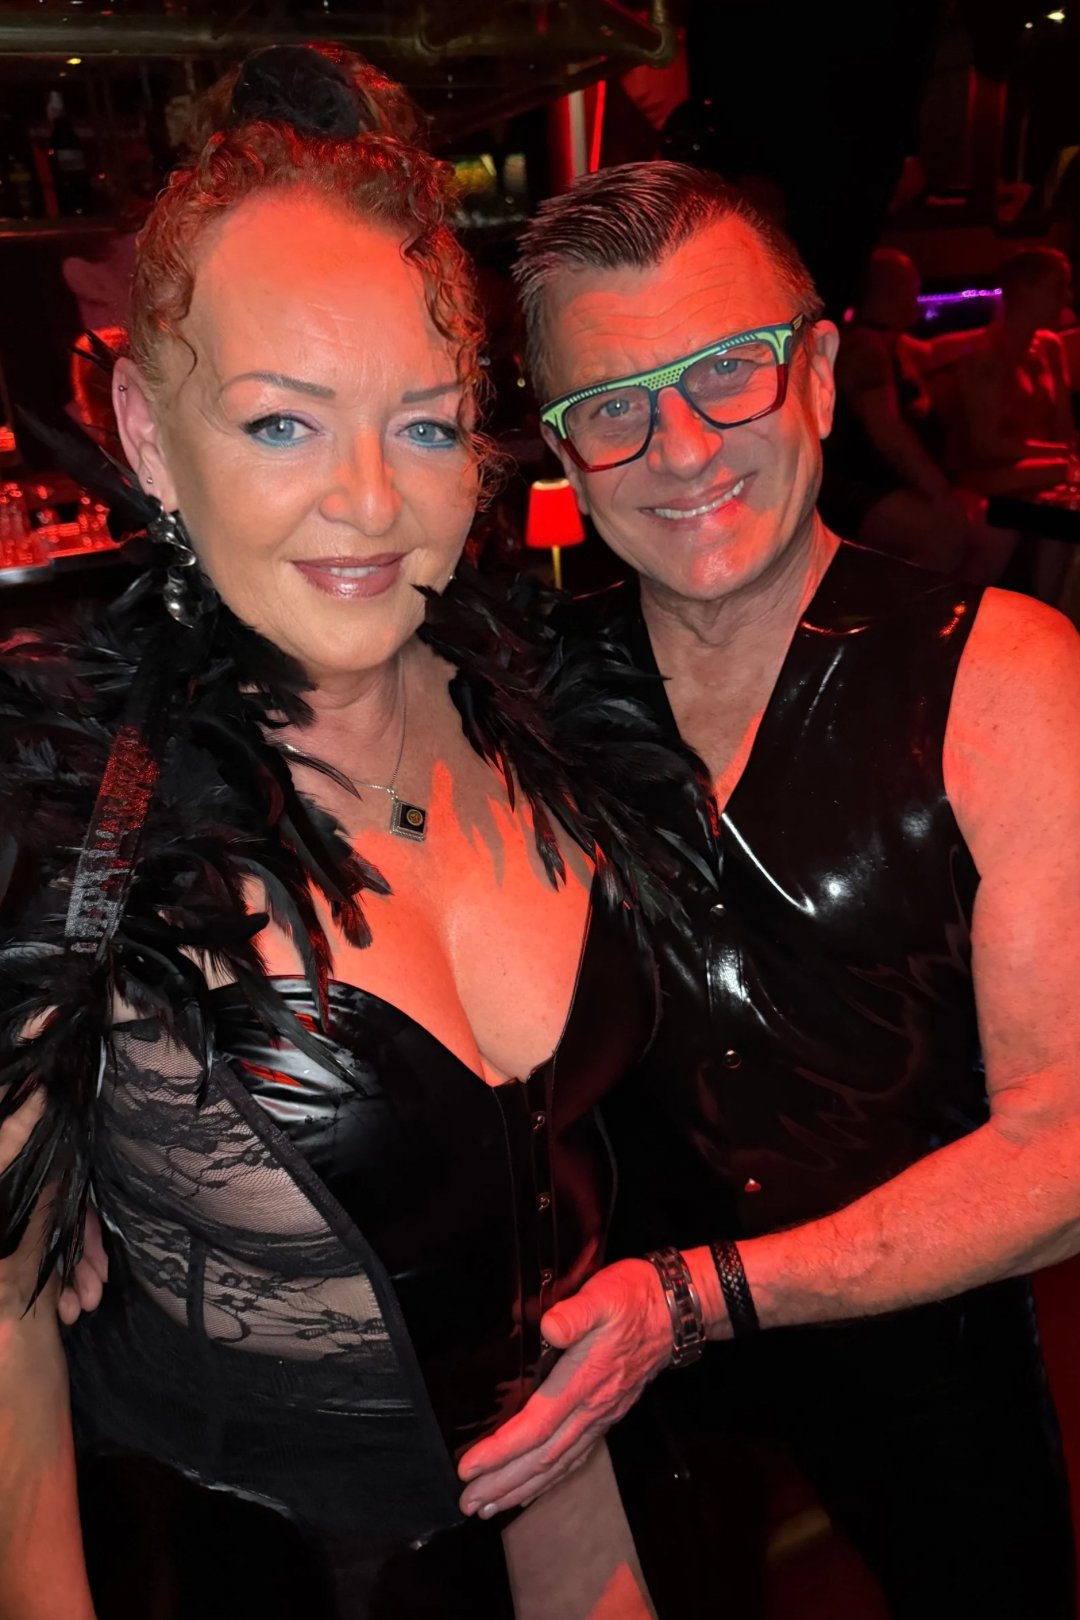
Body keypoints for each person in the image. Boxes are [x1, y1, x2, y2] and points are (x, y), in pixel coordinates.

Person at [0, 54, 707, 1620]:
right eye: (281, 423)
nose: (373, 503)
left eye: (430, 426)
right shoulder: (58, 820)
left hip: (612, 1537)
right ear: (147, 434)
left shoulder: (563, 716)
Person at [456, 162, 1080, 1619]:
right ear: (564, 453)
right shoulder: (512, 698)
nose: (680, 448)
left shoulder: (1007, 675)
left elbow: (1064, 1148)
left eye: (727, 369)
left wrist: (704, 1297)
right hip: (621, 1384)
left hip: (927, 1353)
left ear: (817, 375)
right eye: (613, 405)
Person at [822, 248, 1015, 584]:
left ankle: (957, 610)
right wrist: (939, 491)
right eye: (912, 286)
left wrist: (1006, 331)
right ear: (890, 290)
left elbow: (936, 350)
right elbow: (888, 432)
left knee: (998, 529)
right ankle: (901, 614)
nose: (917, 295)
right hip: (861, 488)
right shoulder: (865, 348)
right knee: (947, 532)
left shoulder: (891, 343)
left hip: (893, 482)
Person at [951, 246, 1079, 604]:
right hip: (985, 479)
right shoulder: (986, 355)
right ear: (1025, 289)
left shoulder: (1050, 347)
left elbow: (1064, 429)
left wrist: (1064, 458)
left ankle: (1052, 609)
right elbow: (985, 446)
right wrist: (1062, 461)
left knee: (1065, 500)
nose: (1068, 298)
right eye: (1059, 287)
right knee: (1066, 478)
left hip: (1038, 474)